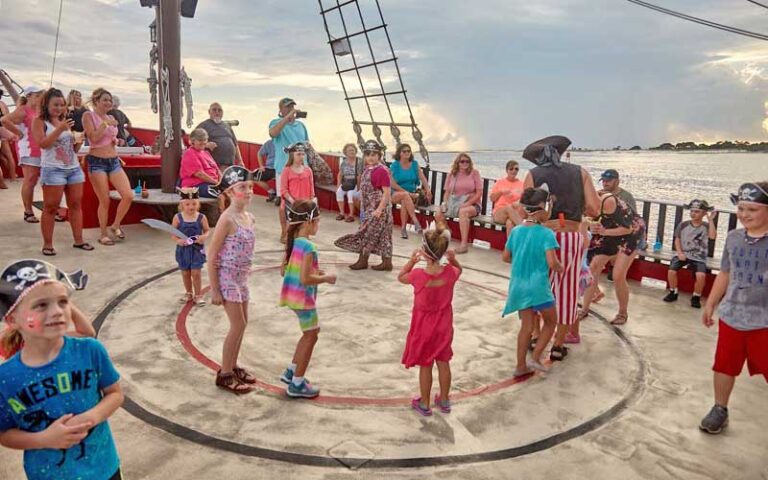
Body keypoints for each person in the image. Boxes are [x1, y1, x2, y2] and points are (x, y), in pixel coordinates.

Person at [0, 260, 124, 480]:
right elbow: (4, 433)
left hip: (104, 468)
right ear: (12, 319)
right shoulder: (6, 378)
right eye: (41, 305)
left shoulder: (89, 350)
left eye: (63, 302)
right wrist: (45, 439)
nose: (57, 311)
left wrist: (92, 416)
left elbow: (115, 393)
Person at [523, 136, 600, 362]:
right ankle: (558, 344)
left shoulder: (533, 175)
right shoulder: (580, 172)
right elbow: (594, 209)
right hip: (570, 235)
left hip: (541, 234)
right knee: (566, 291)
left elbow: (526, 208)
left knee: (538, 285)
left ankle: (537, 335)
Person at [699, 181, 768, 435]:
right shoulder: (733, 237)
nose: (745, 215)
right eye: (741, 208)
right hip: (733, 315)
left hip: (764, 321)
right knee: (724, 365)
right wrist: (711, 303)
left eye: (752, 209)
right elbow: (725, 273)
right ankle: (720, 408)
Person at [399, 216, 462, 416]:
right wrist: (453, 259)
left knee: (425, 364)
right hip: (444, 325)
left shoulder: (418, 276)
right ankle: (444, 399)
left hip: (423, 326)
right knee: (444, 362)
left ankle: (425, 403)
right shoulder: (450, 273)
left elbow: (400, 277)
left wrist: (411, 261)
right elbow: (459, 269)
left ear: (424, 253)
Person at [206, 166, 258, 394]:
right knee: (237, 325)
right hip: (227, 278)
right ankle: (225, 374)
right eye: (241, 187)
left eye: (249, 187)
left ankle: (233, 365)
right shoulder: (226, 219)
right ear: (228, 192)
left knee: (243, 324)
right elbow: (212, 255)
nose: (247, 191)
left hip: (242, 278)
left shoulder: (249, 217)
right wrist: (215, 289)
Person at [278, 199, 336, 398]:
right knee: (312, 335)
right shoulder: (309, 247)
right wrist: (326, 278)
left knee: (309, 333)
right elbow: (305, 278)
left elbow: (285, 270)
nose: (318, 225)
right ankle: (297, 383)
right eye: (317, 221)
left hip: (292, 296)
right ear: (307, 222)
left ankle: (291, 371)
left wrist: (314, 270)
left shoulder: (294, 242)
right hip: (303, 298)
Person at [502, 188, 563, 376]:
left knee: (526, 327)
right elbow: (552, 262)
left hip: (518, 285)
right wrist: (562, 269)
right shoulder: (546, 234)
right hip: (538, 286)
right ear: (541, 208)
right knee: (551, 320)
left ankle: (520, 366)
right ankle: (535, 357)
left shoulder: (516, 231)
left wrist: (522, 260)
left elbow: (506, 257)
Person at [32, 88, 92, 256]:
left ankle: (79, 240)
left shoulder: (65, 121)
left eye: (62, 105)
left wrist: (79, 140)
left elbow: (71, 148)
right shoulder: (40, 122)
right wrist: (60, 129)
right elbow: (43, 144)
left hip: (73, 168)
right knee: (50, 207)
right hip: (53, 169)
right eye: (55, 104)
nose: (59, 108)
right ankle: (48, 244)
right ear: (47, 104)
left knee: (75, 205)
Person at [578, 192, 638, 330]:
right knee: (593, 267)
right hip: (610, 231)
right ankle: (585, 308)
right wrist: (590, 225)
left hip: (631, 234)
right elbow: (586, 221)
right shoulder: (587, 203)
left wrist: (603, 232)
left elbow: (627, 228)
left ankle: (623, 313)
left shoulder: (608, 202)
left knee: (618, 275)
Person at [83, 88, 134, 246]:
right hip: (97, 161)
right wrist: (105, 124)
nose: (108, 103)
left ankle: (115, 225)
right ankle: (103, 234)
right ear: (96, 100)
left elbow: (110, 138)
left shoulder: (111, 116)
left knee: (128, 195)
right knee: (104, 200)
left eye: (110, 100)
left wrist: (116, 140)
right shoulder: (88, 116)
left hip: (113, 161)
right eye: (105, 99)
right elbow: (93, 137)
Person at [335, 140, 394, 271]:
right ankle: (386, 262)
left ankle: (364, 260)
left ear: (379, 155)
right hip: (368, 207)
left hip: (378, 208)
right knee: (380, 234)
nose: (370, 157)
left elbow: (387, 193)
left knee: (368, 233)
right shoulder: (367, 169)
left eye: (374, 154)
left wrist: (379, 209)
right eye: (368, 154)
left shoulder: (382, 171)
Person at [663, 199, 718, 308]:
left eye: (697, 211)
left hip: (699, 256)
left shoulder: (706, 226)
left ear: (703, 213)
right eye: (692, 211)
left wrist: (711, 220)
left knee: (701, 275)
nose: (693, 213)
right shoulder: (683, 225)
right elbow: (677, 239)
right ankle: (673, 292)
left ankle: (696, 296)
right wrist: (680, 253)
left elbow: (712, 236)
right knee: (671, 271)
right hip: (683, 253)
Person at [2, 86, 45, 223]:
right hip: (28, 149)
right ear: (30, 96)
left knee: (46, 180)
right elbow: (4, 120)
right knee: (30, 180)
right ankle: (28, 211)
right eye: (38, 95)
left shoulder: (39, 110)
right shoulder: (23, 110)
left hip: (42, 149)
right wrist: (18, 133)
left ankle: (49, 208)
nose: (40, 97)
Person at [171, 188, 210, 307]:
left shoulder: (201, 217)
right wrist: (178, 241)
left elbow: (207, 231)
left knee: (196, 273)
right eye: (187, 204)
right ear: (182, 204)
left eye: (194, 204)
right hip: (183, 250)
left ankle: (198, 295)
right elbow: (173, 234)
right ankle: (188, 293)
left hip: (197, 249)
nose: (191, 207)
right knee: (185, 273)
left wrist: (204, 237)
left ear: (198, 204)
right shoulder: (177, 217)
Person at [269, 97, 309, 201]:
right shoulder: (275, 122)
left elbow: (307, 144)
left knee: (302, 200)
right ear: (281, 110)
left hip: (302, 167)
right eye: (287, 107)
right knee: (285, 202)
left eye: (292, 106)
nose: (291, 109)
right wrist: (287, 118)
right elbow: (273, 133)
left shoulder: (301, 125)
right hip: (284, 167)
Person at [442, 152, 482, 253]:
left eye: (467, 161)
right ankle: (448, 233)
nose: (465, 163)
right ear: (457, 163)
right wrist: (445, 203)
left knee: (463, 212)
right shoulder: (452, 174)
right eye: (462, 161)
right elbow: (447, 192)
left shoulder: (474, 173)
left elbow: (479, 193)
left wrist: (467, 203)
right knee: (438, 213)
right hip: (455, 203)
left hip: (473, 204)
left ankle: (464, 244)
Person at [390, 143, 431, 239]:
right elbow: (392, 184)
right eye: (404, 151)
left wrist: (428, 190)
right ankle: (415, 221)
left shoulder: (414, 164)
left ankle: (404, 229)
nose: (407, 153)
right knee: (405, 196)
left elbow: (423, 178)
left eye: (409, 151)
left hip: (411, 194)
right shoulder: (395, 165)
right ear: (399, 153)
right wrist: (407, 193)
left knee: (405, 200)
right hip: (395, 192)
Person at [279, 142, 315, 244]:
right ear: (292, 156)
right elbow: (283, 190)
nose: (301, 157)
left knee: (305, 224)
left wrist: (311, 201)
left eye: (303, 154)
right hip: (291, 202)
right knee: (289, 220)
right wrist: (292, 201)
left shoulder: (308, 171)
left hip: (305, 202)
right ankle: (285, 234)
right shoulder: (286, 170)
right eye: (298, 154)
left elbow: (312, 188)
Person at [196, 102, 243, 169]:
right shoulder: (204, 125)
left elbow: (235, 144)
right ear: (209, 112)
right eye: (214, 110)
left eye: (219, 110)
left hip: (229, 166)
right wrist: (206, 144)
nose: (217, 112)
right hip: (213, 167)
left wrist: (240, 161)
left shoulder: (227, 126)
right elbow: (192, 141)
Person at [179, 128, 221, 198]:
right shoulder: (189, 153)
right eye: (200, 140)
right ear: (192, 141)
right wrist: (217, 183)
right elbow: (199, 174)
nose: (203, 142)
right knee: (222, 195)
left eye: (205, 140)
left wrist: (222, 182)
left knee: (231, 190)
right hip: (197, 185)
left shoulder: (206, 153)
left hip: (212, 183)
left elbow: (217, 170)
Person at [490, 160, 525, 235]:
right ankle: (525, 231)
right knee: (508, 208)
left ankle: (510, 246)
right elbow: (492, 198)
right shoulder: (499, 183)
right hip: (499, 212)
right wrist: (501, 192)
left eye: (516, 169)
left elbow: (525, 200)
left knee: (510, 223)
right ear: (507, 170)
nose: (514, 171)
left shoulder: (522, 184)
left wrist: (518, 202)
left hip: (515, 214)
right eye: (511, 169)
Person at [335, 143, 361, 223]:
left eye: (353, 150)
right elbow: (340, 174)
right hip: (346, 183)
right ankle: (342, 213)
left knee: (350, 194)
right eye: (349, 150)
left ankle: (351, 215)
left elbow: (359, 176)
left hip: (355, 183)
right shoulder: (344, 162)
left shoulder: (359, 162)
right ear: (346, 152)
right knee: (339, 192)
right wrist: (338, 185)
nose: (351, 152)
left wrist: (358, 188)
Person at [0, 90, 16, 184]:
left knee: (3, 157)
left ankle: (2, 181)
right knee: (8, 156)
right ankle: (13, 177)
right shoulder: (3, 104)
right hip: (4, 130)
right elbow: (8, 118)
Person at [255, 138, 277, 202]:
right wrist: (261, 166)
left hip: (282, 169)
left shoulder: (287, 142)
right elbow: (259, 153)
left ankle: (280, 197)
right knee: (254, 176)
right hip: (270, 168)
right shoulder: (270, 142)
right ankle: (272, 192)